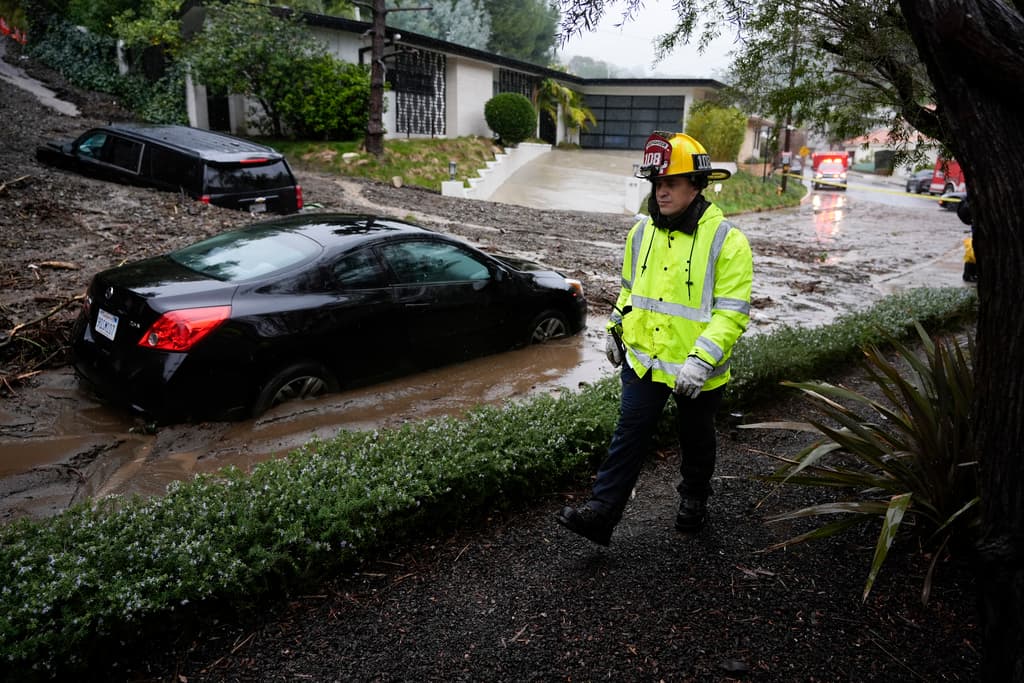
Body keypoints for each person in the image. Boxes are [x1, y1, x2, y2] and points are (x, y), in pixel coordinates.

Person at [556, 131, 754, 546]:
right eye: (657, 184)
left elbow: (731, 314)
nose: (661, 192)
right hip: (644, 361)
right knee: (628, 435)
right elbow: (630, 290)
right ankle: (602, 514)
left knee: (695, 438)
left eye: (671, 184)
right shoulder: (640, 233)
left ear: (696, 186)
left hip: (695, 370)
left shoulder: (727, 241)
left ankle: (694, 498)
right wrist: (614, 326)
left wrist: (701, 360)